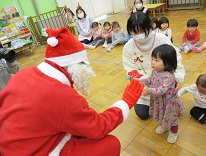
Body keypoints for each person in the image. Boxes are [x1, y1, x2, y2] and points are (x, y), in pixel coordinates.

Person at [0, 26, 144, 155]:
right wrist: (125, 102)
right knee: (111, 144)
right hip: (37, 150)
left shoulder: (25, 73)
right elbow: (98, 127)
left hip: (8, 143)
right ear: (76, 66)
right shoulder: (63, 96)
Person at [123, 11, 185, 120]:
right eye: (134, 32)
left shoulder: (162, 39)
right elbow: (131, 70)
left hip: (163, 82)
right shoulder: (128, 47)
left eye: (142, 31)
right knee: (142, 114)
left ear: (150, 26)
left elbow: (175, 60)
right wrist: (146, 84)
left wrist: (177, 78)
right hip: (146, 85)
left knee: (169, 107)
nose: (139, 35)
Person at [141, 44, 184, 144]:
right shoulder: (155, 71)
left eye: (156, 60)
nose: (152, 62)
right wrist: (144, 81)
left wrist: (149, 90)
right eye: (152, 59)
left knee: (171, 117)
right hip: (159, 102)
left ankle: (174, 132)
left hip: (168, 102)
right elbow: (151, 79)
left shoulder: (169, 76)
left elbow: (161, 90)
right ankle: (164, 126)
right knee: (162, 115)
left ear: (168, 63)